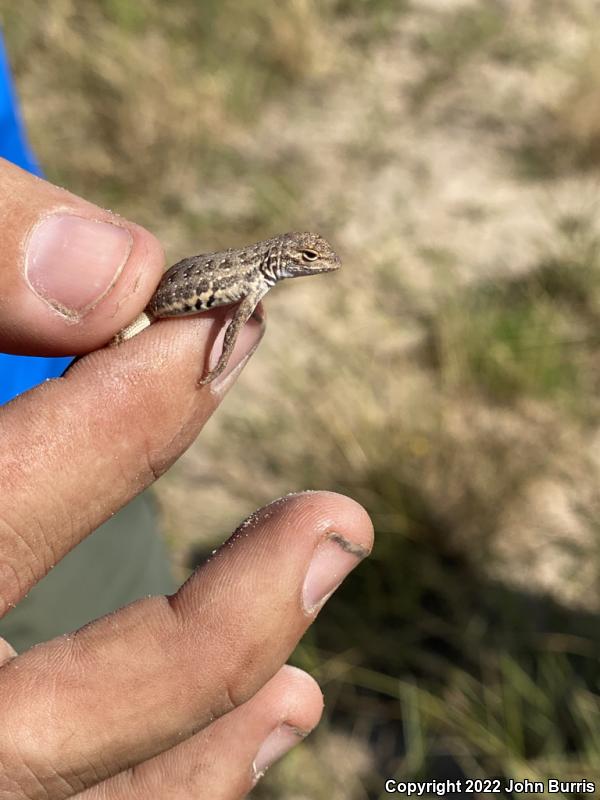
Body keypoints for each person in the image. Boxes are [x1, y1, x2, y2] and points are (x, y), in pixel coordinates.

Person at [0, 36, 374, 797]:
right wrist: (217, 358)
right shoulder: (249, 284)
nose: (312, 269)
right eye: (307, 261)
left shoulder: (256, 275)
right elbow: (228, 321)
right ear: (284, 263)